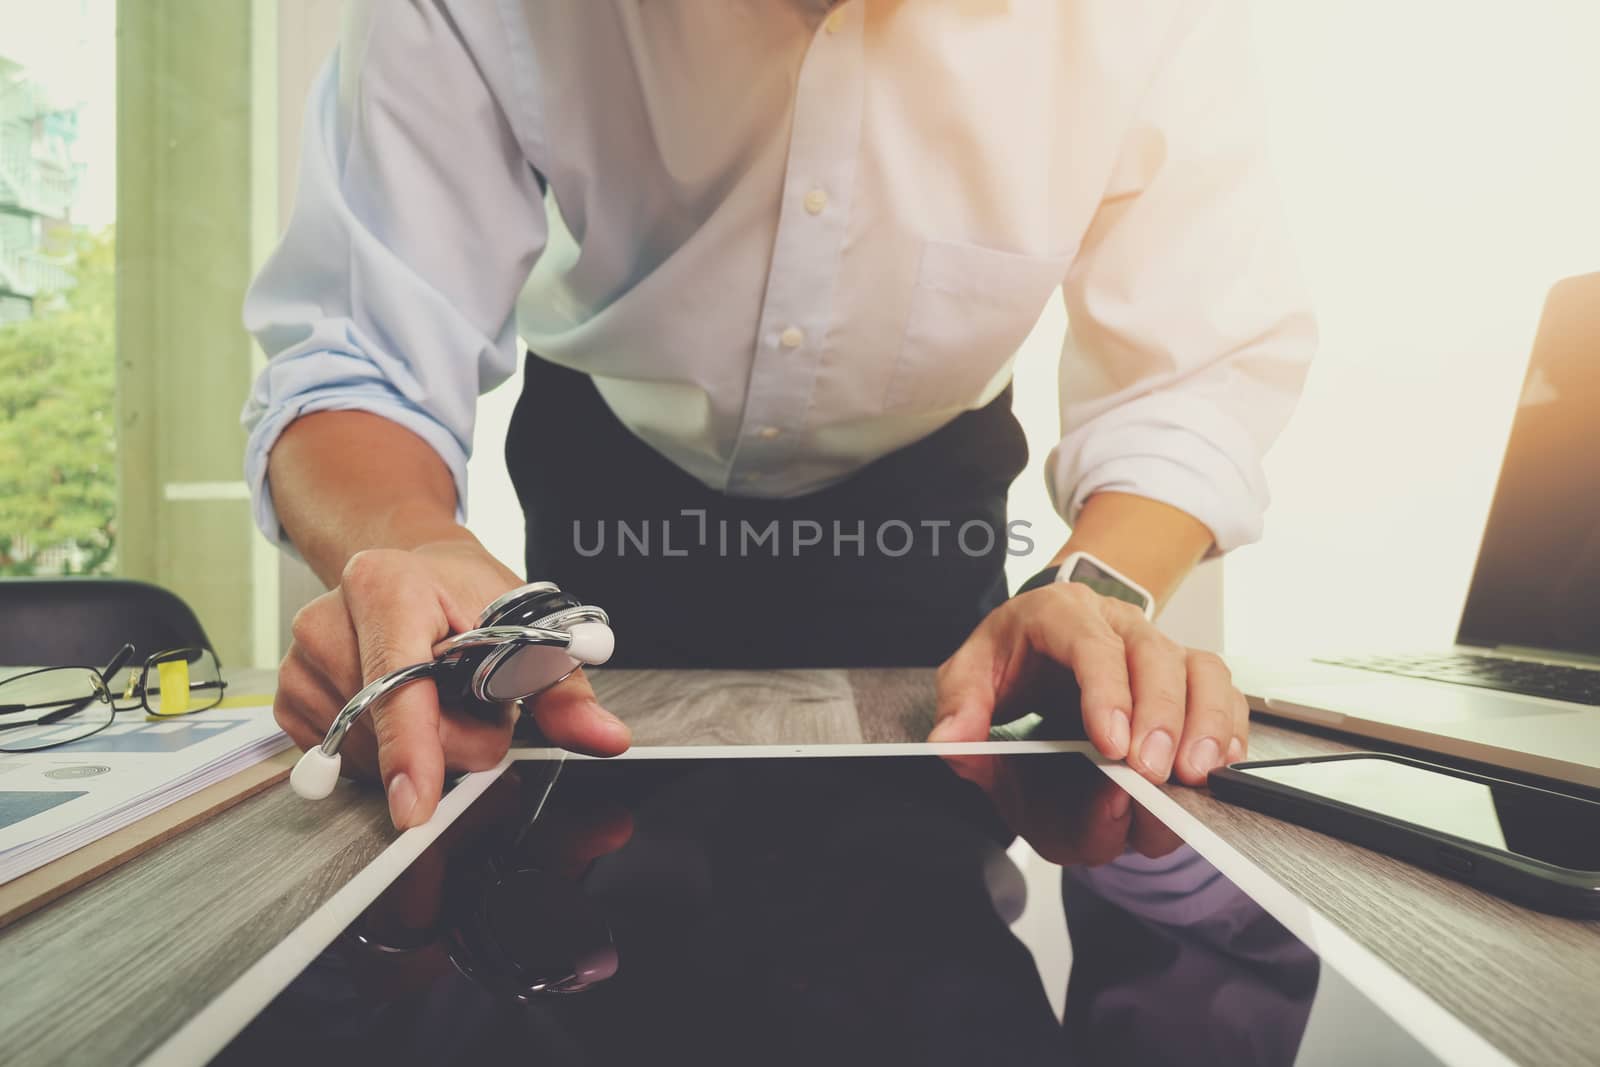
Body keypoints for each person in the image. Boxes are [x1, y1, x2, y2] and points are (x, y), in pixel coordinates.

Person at [244, 0, 1315, 830]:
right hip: (600, 509)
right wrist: (409, 546)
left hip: (930, 535)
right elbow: (359, 354)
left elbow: (1190, 371)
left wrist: (1096, 589)